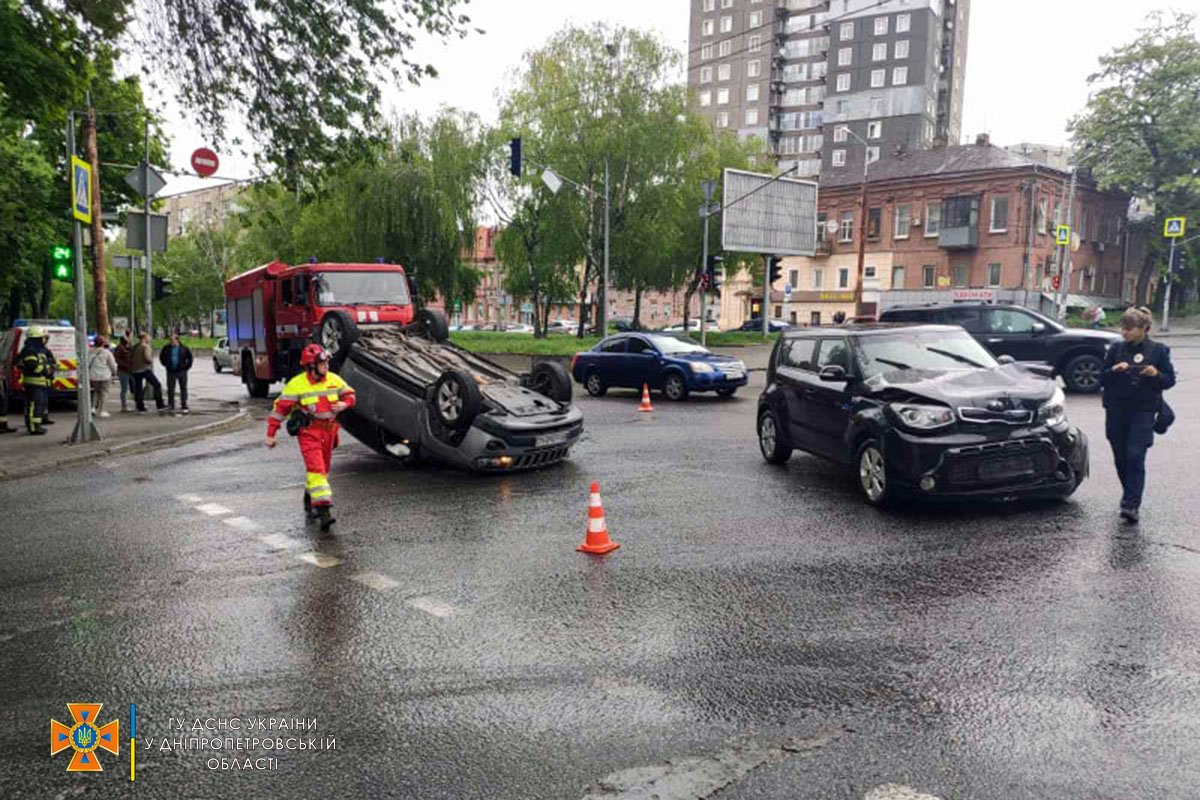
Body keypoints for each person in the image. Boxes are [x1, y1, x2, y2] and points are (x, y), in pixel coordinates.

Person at [265, 344, 355, 532]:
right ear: (311, 366)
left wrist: (344, 404)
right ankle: (323, 512)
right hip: (309, 432)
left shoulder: (334, 380)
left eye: (327, 362)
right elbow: (280, 409)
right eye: (323, 363)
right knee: (317, 470)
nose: (327, 366)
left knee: (323, 471)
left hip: (329, 431)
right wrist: (271, 434)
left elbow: (350, 394)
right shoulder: (297, 384)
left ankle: (309, 497)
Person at [1100, 306, 1176, 523]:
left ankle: (1131, 504)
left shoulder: (1159, 351)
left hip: (1143, 410)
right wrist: (1114, 370)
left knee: (1135, 454)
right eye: (1123, 328)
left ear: (1144, 328)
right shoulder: (1115, 350)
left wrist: (1156, 374)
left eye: (1129, 328)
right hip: (1116, 410)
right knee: (1121, 457)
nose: (1124, 332)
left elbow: (1169, 381)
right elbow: (1102, 379)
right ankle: (1129, 493)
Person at [18, 325, 55, 435]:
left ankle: (37, 424)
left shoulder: (40, 350)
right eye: (43, 337)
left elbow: (47, 362)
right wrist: (46, 371)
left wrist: (50, 368)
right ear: (37, 338)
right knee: (34, 405)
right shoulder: (29, 350)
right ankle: (33, 427)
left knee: (40, 404)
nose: (44, 340)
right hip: (33, 382)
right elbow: (32, 366)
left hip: (41, 382)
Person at [158, 332, 194, 415]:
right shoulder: (166, 348)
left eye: (172, 340)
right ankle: (171, 405)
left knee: (183, 388)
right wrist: (166, 364)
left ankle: (184, 404)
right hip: (171, 371)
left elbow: (190, 358)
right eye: (170, 340)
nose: (171, 342)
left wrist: (186, 367)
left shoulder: (184, 348)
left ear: (177, 340)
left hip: (181, 371)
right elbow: (162, 357)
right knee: (171, 389)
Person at [130, 332, 165, 414]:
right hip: (145, 369)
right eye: (148, 337)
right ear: (145, 338)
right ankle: (160, 404)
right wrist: (151, 361)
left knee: (138, 388)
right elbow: (147, 358)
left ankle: (140, 407)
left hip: (135, 370)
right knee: (157, 384)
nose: (149, 338)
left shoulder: (135, 347)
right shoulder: (146, 347)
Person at [87, 335, 118, 418]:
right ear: (103, 343)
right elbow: (112, 365)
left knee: (96, 392)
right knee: (104, 393)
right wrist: (114, 373)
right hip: (105, 376)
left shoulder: (89, 351)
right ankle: (102, 411)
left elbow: (87, 363)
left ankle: (93, 408)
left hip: (93, 375)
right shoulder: (107, 352)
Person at [114, 332, 134, 412]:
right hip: (124, 371)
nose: (132, 338)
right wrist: (126, 365)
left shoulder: (127, 347)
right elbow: (118, 359)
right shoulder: (120, 348)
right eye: (131, 336)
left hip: (129, 370)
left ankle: (134, 404)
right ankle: (124, 406)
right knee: (124, 388)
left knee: (133, 387)